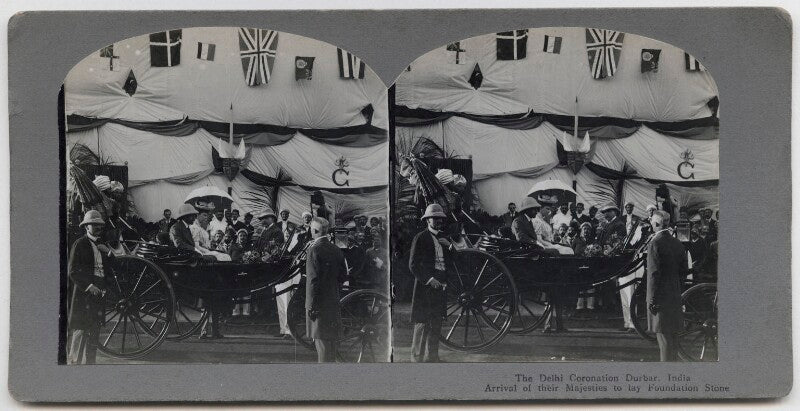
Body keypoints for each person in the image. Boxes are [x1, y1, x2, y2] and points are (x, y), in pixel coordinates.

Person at [67, 210, 113, 364]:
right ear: (86, 226)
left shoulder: (103, 246)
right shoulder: (80, 244)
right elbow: (73, 271)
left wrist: (109, 254)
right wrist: (89, 286)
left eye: (100, 225)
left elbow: (113, 270)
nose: (98, 228)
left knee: (94, 331)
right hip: (84, 294)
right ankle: (74, 365)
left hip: (99, 293)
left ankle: (90, 365)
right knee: (80, 330)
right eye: (94, 225)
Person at [408, 204, 451, 362]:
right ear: (427, 220)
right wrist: (429, 279)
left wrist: (450, 246)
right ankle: (417, 359)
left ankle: (432, 357)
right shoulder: (421, 237)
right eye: (435, 218)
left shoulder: (443, 239)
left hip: (440, 285)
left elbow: (450, 262)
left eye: (441, 219)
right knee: (422, 322)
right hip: (425, 287)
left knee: (436, 322)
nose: (439, 221)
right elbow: (413, 265)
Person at [647, 210, 688, 361]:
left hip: (660, 298)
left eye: (652, 222)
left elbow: (654, 274)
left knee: (663, 340)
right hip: (675, 295)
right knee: (673, 339)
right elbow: (684, 270)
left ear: (657, 224)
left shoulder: (655, 243)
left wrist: (652, 300)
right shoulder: (677, 242)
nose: (651, 224)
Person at [305, 217, 345, 362]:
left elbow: (313, 281)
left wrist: (311, 306)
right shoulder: (336, 249)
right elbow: (343, 275)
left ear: (314, 231)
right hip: (332, 300)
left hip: (318, 305)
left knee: (321, 344)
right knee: (332, 343)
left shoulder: (313, 250)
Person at [572, 222, 597, 313]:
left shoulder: (593, 240)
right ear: (581, 230)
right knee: (580, 286)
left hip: (590, 266)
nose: (586, 231)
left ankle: (590, 307)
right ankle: (579, 307)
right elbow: (572, 251)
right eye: (584, 229)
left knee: (591, 286)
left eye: (588, 229)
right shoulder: (576, 239)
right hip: (579, 265)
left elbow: (595, 251)